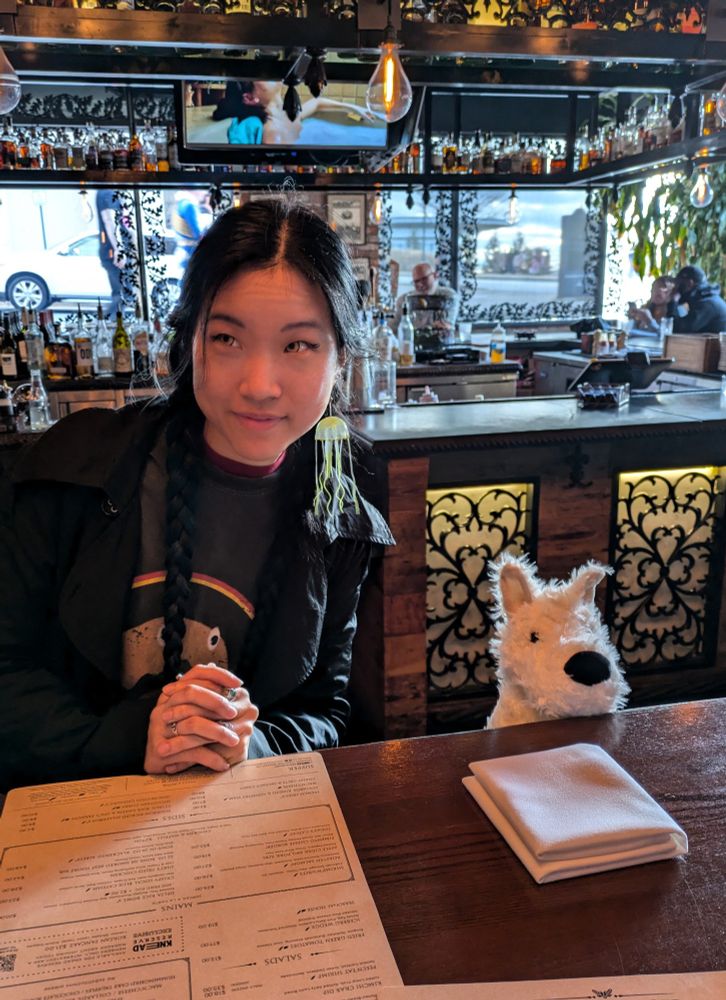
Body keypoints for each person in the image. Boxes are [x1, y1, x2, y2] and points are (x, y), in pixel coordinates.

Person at [0, 198, 394, 791]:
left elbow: (322, 710)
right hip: (70, 813)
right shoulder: (74, 469)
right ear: (190, 342)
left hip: (234, 824)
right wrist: (131, 739)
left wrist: (250, 742)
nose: (260, 386)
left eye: (298, 346)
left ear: (340, 359)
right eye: (228, 339)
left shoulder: (340, 511)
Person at [216, 80, 374, 146]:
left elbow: (317, 103)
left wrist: (355, 108)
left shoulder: (284, 116)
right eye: (259, 77)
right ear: (250, 98)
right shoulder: (271, 130)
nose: (268, 74)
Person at [392, 262, 460, 344]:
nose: (420, 284)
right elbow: (393, 327)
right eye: (416, 281)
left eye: (424, 279)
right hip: (411, 347)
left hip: (441, 345)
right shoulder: (404, 300)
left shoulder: (448, 296)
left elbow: (446, 324)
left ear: (435, 276)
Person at [671, 265, 726, 334]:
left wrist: (673, 302)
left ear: (690, 283)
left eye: (680, 284)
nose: (677, 288)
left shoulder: (708, 303)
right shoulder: (706, 298)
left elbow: (678, 329)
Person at [96, 188, 123, 316]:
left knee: (121, 294)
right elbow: (109, 220)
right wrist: (119, 248)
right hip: (113, 253)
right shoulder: (107, 192)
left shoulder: (106, 191)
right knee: (121, 294)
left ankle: (109, 323)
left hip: (111, 251)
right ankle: (109, 324)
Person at [171, 189, 213, 267]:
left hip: (184, 251)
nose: (204, 193)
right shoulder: (188, 206)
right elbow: (199, 233)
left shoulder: (181, 203)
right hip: (190, 252)